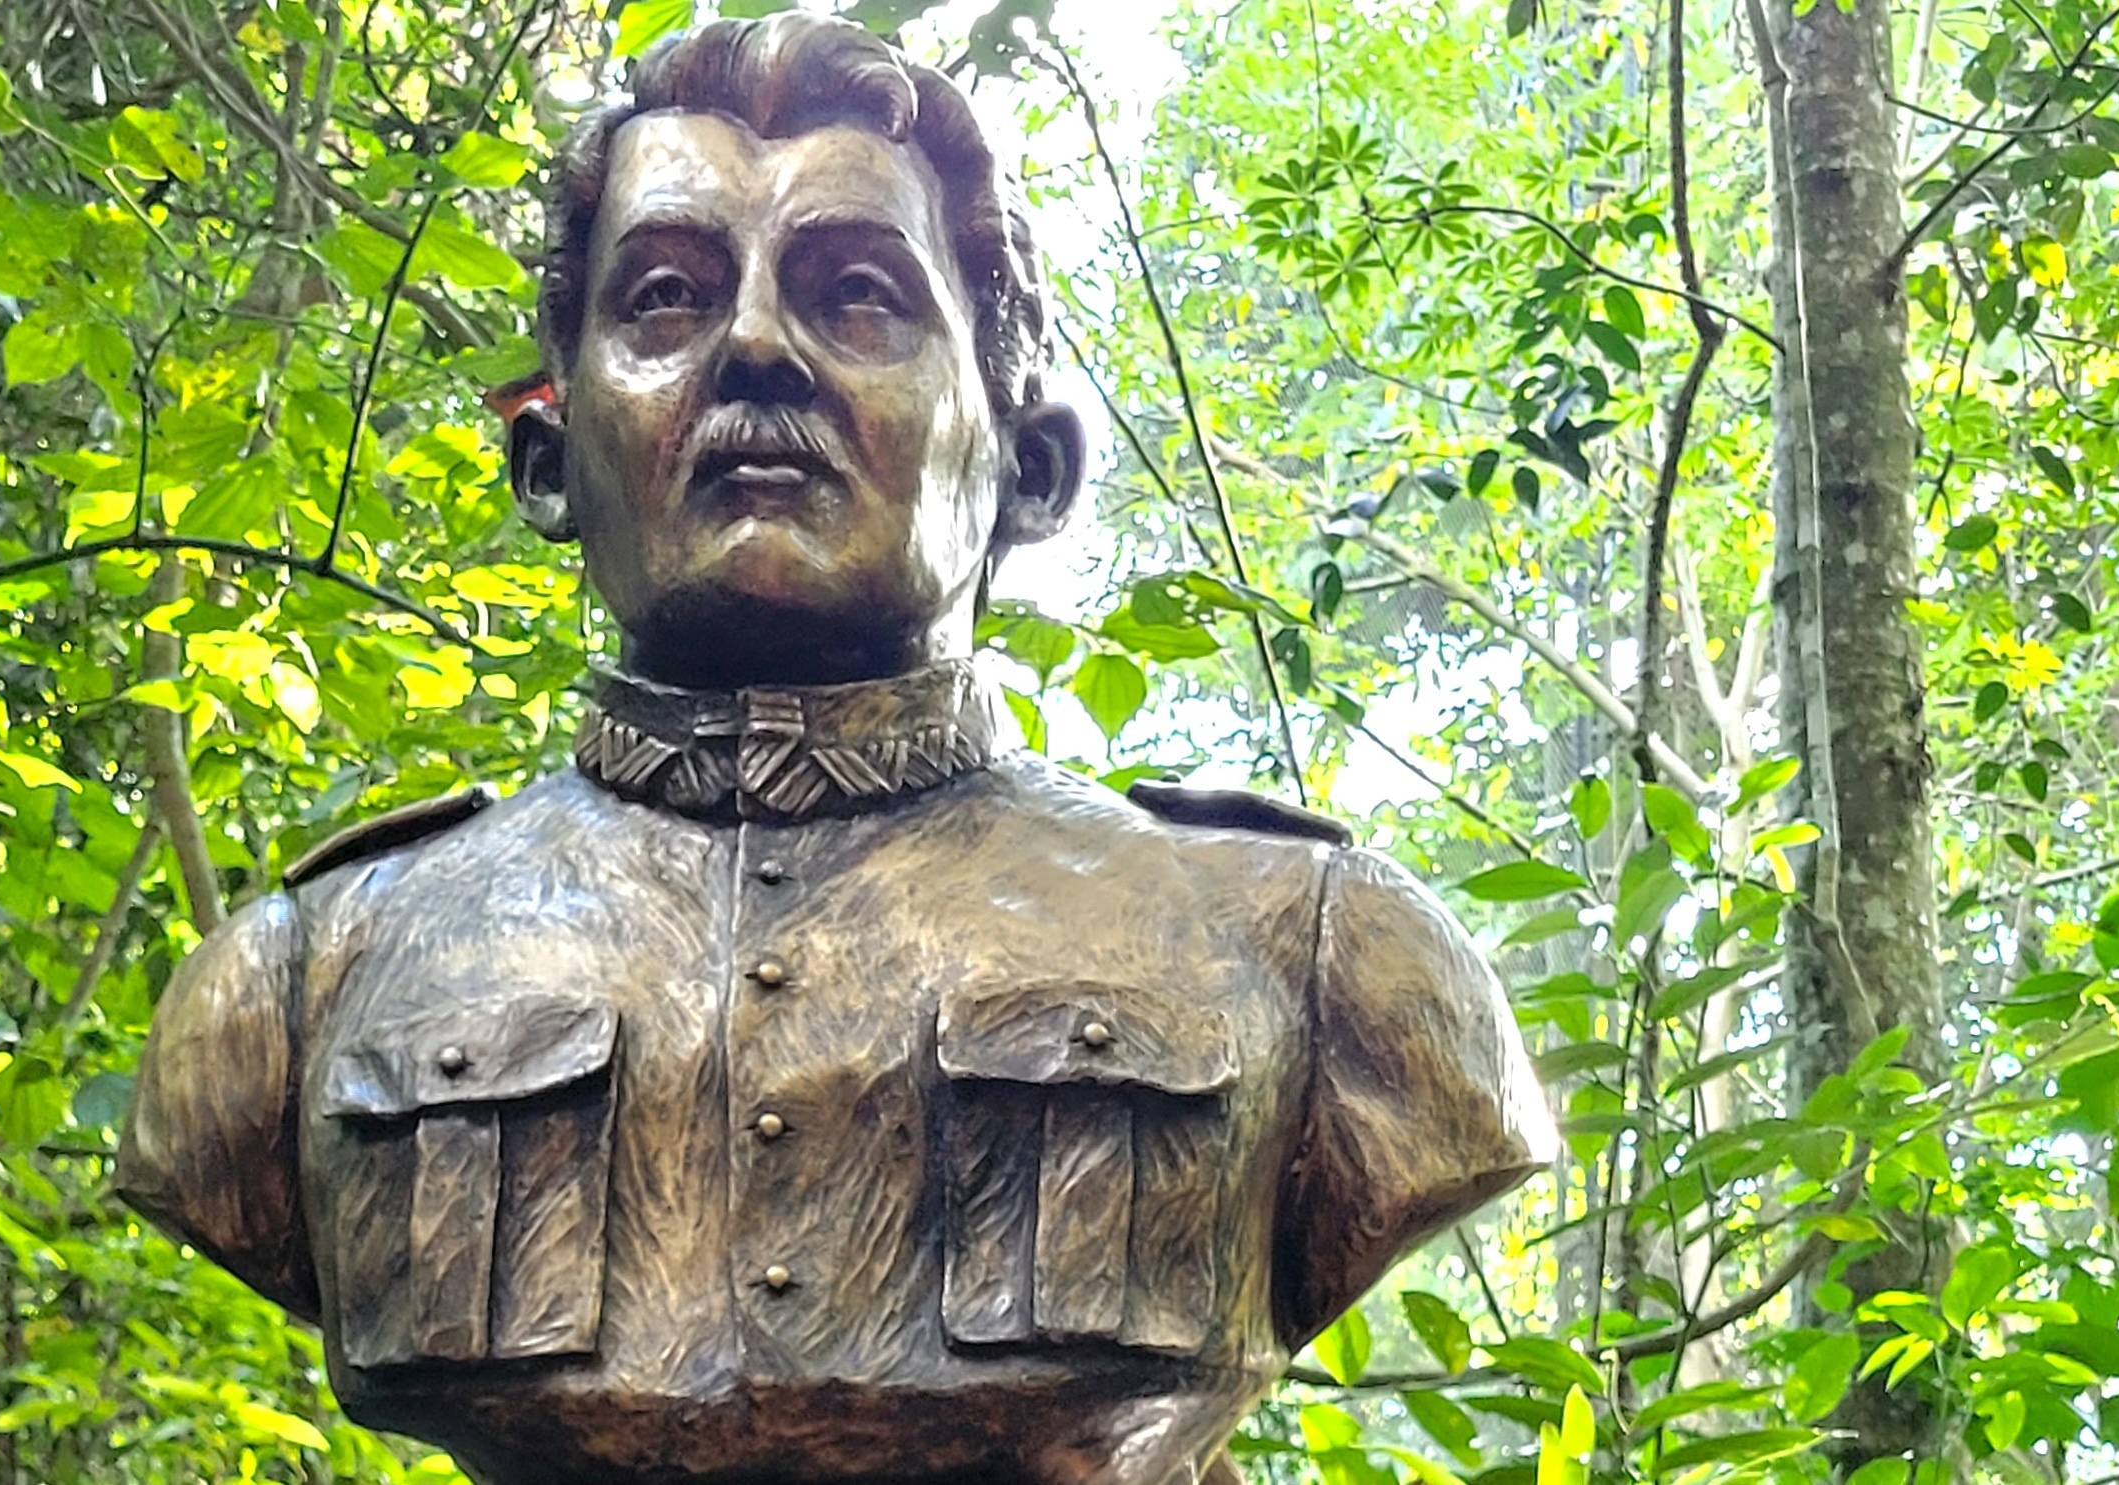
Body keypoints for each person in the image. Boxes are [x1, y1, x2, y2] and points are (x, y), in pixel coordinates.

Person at [117, 17, 1555, 1485]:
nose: (751, 348)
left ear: (1030, 466)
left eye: (857, 297)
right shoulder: (302, 981)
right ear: (546, 463)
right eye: (666, 299)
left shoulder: (1315, 951)